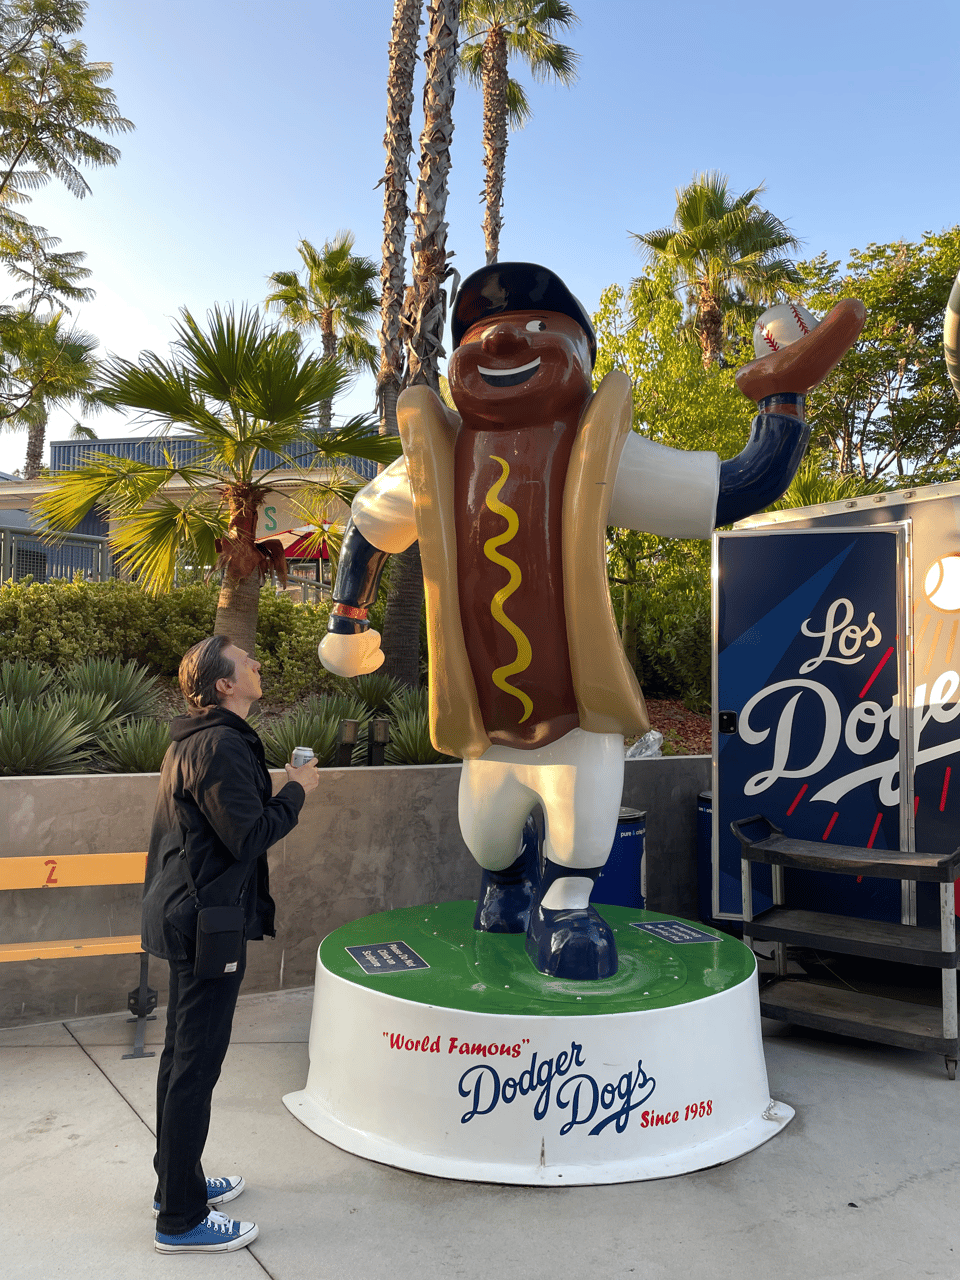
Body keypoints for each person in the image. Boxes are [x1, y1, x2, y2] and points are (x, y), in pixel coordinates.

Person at [318, 261, 866, 981]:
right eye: (481, 335)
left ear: (580, 356)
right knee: (486, 837)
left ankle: (567, 902)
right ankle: (507, 885)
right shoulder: (439, 455)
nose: (503, 343)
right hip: (485, 719)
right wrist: (348, 617)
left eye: (538, 327)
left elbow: (734, 487)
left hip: (576, 711)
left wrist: (782, 398)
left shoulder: (597, 449)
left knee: (580, 822)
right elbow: (369, 525)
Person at [142, 635, 320, 1254]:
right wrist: (296, 789)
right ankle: (181, 1221)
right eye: (246, 661)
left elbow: (223, 828)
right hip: (204, 923)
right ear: (223, 684)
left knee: (181, 1060)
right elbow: (249, 835)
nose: (257, 664)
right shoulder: (217, 744)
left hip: (192, 915)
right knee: (195, 1066)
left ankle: (177, 1185)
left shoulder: (201, 740)